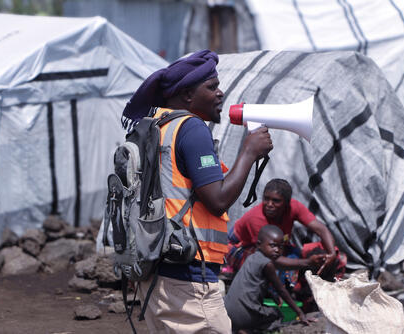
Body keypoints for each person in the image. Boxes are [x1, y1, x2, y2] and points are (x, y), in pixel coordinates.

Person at [121, 49, 273, 333]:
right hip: (188, 277)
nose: (220, 93)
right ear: (188, 94)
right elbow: (217, 200)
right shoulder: (191, 128)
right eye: (212, 87)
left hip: (155, 272)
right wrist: (249, 153)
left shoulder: (156, 125)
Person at [225, 178, 346, 308]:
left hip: (276, 249)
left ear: (287, 203)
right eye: (266, 199)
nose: (269, 204)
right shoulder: (256, 218)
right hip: (244, 249)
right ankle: (284, 296)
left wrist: (331, 253)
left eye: (276, 201)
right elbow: (269, 258)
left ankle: (311, 296)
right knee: (269, 268)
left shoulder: (294, 207)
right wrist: (307, 262)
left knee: (331, 256)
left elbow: (321, 229)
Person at [224, 225, 314, 333]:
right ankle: (248, 330)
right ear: (259, 244)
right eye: (273, 246)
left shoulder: (251, 258)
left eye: (280, 247)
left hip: (228, 311)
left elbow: (255, 284)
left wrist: (273, 296)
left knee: (262, 308)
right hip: (244, 315)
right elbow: (281, 290)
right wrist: (300, 313)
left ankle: (242, 329)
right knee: (276, 314)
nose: (277, 250)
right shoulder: (267, 264)